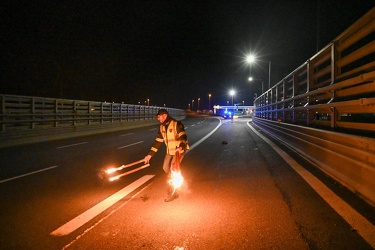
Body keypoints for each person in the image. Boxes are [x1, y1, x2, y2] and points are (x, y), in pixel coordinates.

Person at [144, 109, 189, 202]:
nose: (158, 119)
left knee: (172, 171)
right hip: (169, 151)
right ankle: (174, 177)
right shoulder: (162, 127)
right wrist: (149, 155)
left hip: (178, 151)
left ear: (164, 116)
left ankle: (172, 193)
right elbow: (158, 142)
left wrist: (181, 147)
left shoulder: (176, 124)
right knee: (165, 168)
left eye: (159, 117)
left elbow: (183, 136)